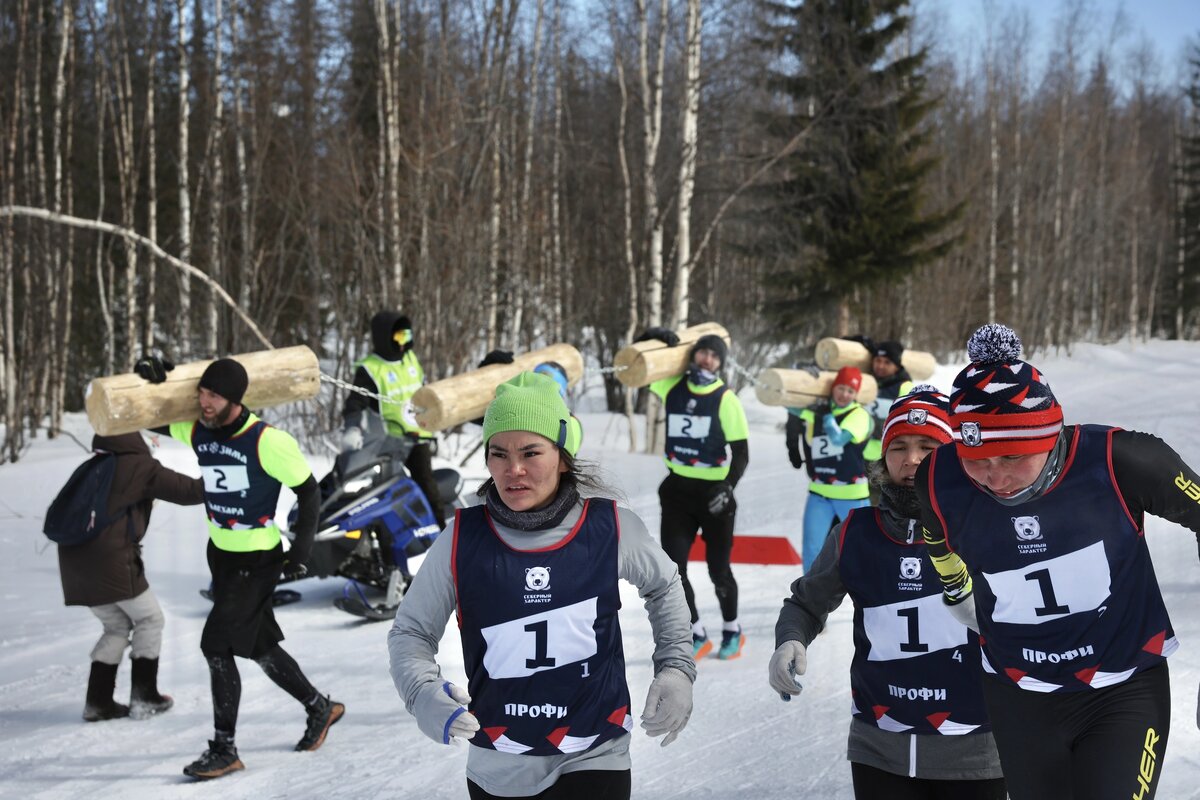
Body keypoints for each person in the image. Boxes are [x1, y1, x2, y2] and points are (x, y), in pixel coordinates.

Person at [916, 323, 1200, 800]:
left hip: (1123, 684)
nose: (994, 475)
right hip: (1017, 691)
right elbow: (936, 540)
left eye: (1011, 456)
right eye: (976, 458)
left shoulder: (1120, 459)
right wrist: (955, 591)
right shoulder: (940, 475)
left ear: (1047, 437)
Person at [388, 371, 694, 799]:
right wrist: (420, 691)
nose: (514, 470)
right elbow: (411, 632)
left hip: (595, 751)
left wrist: (677, 668)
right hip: (499, 762)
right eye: (498, 453)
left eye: (531, 452)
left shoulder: (611, 528)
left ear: (562, 456)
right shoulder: (461, 539)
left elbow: (665, 587)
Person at [770, 387, 1007, 799]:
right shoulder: (855, 533)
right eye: (898, 446)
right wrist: (790, 639)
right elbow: (805, 603)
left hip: (975, 752)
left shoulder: (988, 527)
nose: (911, 459)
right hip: (878, 748)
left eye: (927, 445)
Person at [137, 356, 345, 780]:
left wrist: (300, 552)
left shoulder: (267, 440)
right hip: (222, 556)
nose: (204, 402)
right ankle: (319, 708)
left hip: (258, 559)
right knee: (258, 646)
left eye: (213, 395)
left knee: (216, 645)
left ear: (234, 399)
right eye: (201, 393)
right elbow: (149, 419)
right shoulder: (197, 430)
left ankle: (224, 748)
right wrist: (158, 381)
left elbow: (308, 492)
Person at [57, 431, 205, 722]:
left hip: (74, 563)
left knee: (116, 626)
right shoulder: (138, 465)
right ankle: (145, 698)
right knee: (151, 619)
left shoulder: (96, 463)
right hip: (111, 562)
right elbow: (191, 491)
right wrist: (221, 468)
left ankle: (98, 703)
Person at [642, 329, 750, 660]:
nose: (707, 359)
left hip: (713, 495)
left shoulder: (725, 398)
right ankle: (696, 631)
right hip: (677, 491)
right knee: (674, 569)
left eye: (714, 356)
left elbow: (741, 453)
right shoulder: (671, 387)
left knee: (719, 569)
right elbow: (642, 368)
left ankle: (732, 629)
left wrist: (727, 486)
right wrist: (655, 339)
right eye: (703, 352)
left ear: (721, 364)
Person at [342, 311, 445, 529]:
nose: (403, 343)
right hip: (386, 442)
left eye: (406, 336)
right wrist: (352, 428)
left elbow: (427, 393)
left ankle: (441, 533)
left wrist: (439, 423)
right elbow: (355, 402)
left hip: (418, 438)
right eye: (398, 337)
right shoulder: (370, 369)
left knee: (426, 486)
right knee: (381, 495)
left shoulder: (410, 359)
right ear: (384, 337)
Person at [786, 366, 872, 571]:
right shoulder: (819, 411)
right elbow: (788, 405)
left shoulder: (859, 415)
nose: (844, 395)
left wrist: (826, 416)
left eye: (850, 391)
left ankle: (869, 595)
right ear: (833, 388)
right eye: (841, 388)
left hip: (852, 495)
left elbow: (838, 439)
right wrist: (802, 377)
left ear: (856, 395)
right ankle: (808, 596)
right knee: (812, 548)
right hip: (820, 492)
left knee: (863, 548)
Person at [862, 340, 915, 464]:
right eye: (878, 360)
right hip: (859, 454)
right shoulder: (866, 382)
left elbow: (909, 423)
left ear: (896, 366)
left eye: (887, 362)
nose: (880, 366)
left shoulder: (904, 387)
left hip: (885, 457)